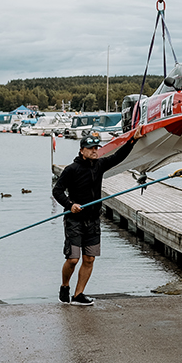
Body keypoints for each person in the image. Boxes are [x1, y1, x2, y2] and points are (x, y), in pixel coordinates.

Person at [53, 129, 141, 306]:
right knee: (72, 259)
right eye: (90, 148)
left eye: (96, 148)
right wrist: (70, 205)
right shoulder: (72, 170)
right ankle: (65, 286)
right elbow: (57, 190)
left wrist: (133, 140)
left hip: (93, 220)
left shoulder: (100, 165)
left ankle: (79, 295)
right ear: (82, 150)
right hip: (74, 219)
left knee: (89, 259)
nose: (94, 150)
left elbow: (118, 157)